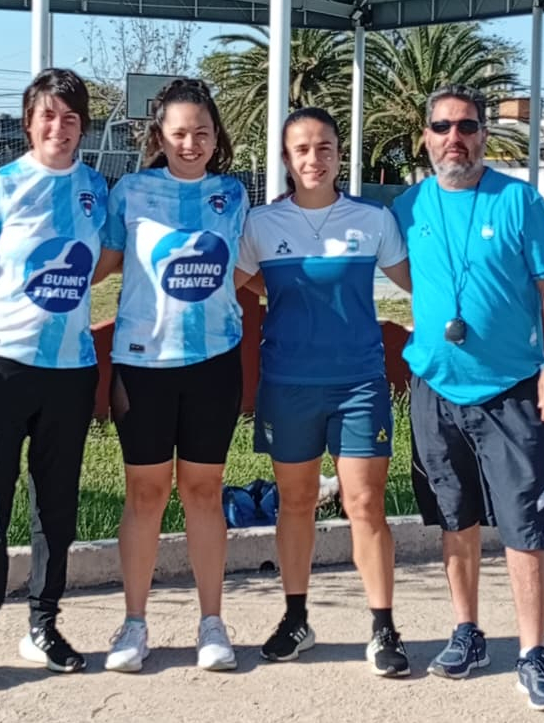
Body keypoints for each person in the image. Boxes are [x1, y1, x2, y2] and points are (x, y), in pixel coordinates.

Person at [391, 84, 544, 712]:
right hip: (434, 388)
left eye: (466, 127)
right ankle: (467, 631)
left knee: (525, 526)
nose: (455, 138)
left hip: (511, 391)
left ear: (483, 136)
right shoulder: (408, 206)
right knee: (455, 517)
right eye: (442, 127)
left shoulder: (519, 200)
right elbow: (395, 268)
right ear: (426, 137)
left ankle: (533, 652)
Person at [234, 107, 413, 676]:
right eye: (302, 150)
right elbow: (232, 279)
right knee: (296, 503)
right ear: (286, 159)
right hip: (287, 384)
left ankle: (383, 628)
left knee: (365, 504)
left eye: (325, 148)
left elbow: (420, 283)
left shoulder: (373, 219)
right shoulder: (261, 224)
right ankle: (296, 620)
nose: (314, 159)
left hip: (359, 384)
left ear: (339, 154)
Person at [0, 68, 108, 688]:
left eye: (70, 118)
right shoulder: (2, 185)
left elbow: (104, 259)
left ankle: (44, 624)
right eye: (48, 116)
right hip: (0, 366)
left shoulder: (95, 187)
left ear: (83, 127)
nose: (58, 128)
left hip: (71, 371)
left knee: (56, 509)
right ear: (29, 122)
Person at [93, 78, 248, 673]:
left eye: (202, 132)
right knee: (146, 493)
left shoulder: (232, 194)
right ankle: (134, 624)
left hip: (214, 364)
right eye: (180, 133)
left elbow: (244, 268)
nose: (191, 143)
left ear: (216, 136)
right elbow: (104, 263)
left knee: (204, 492)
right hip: (143, 365)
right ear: (159, 136)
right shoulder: (130, 191)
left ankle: (212, 623)